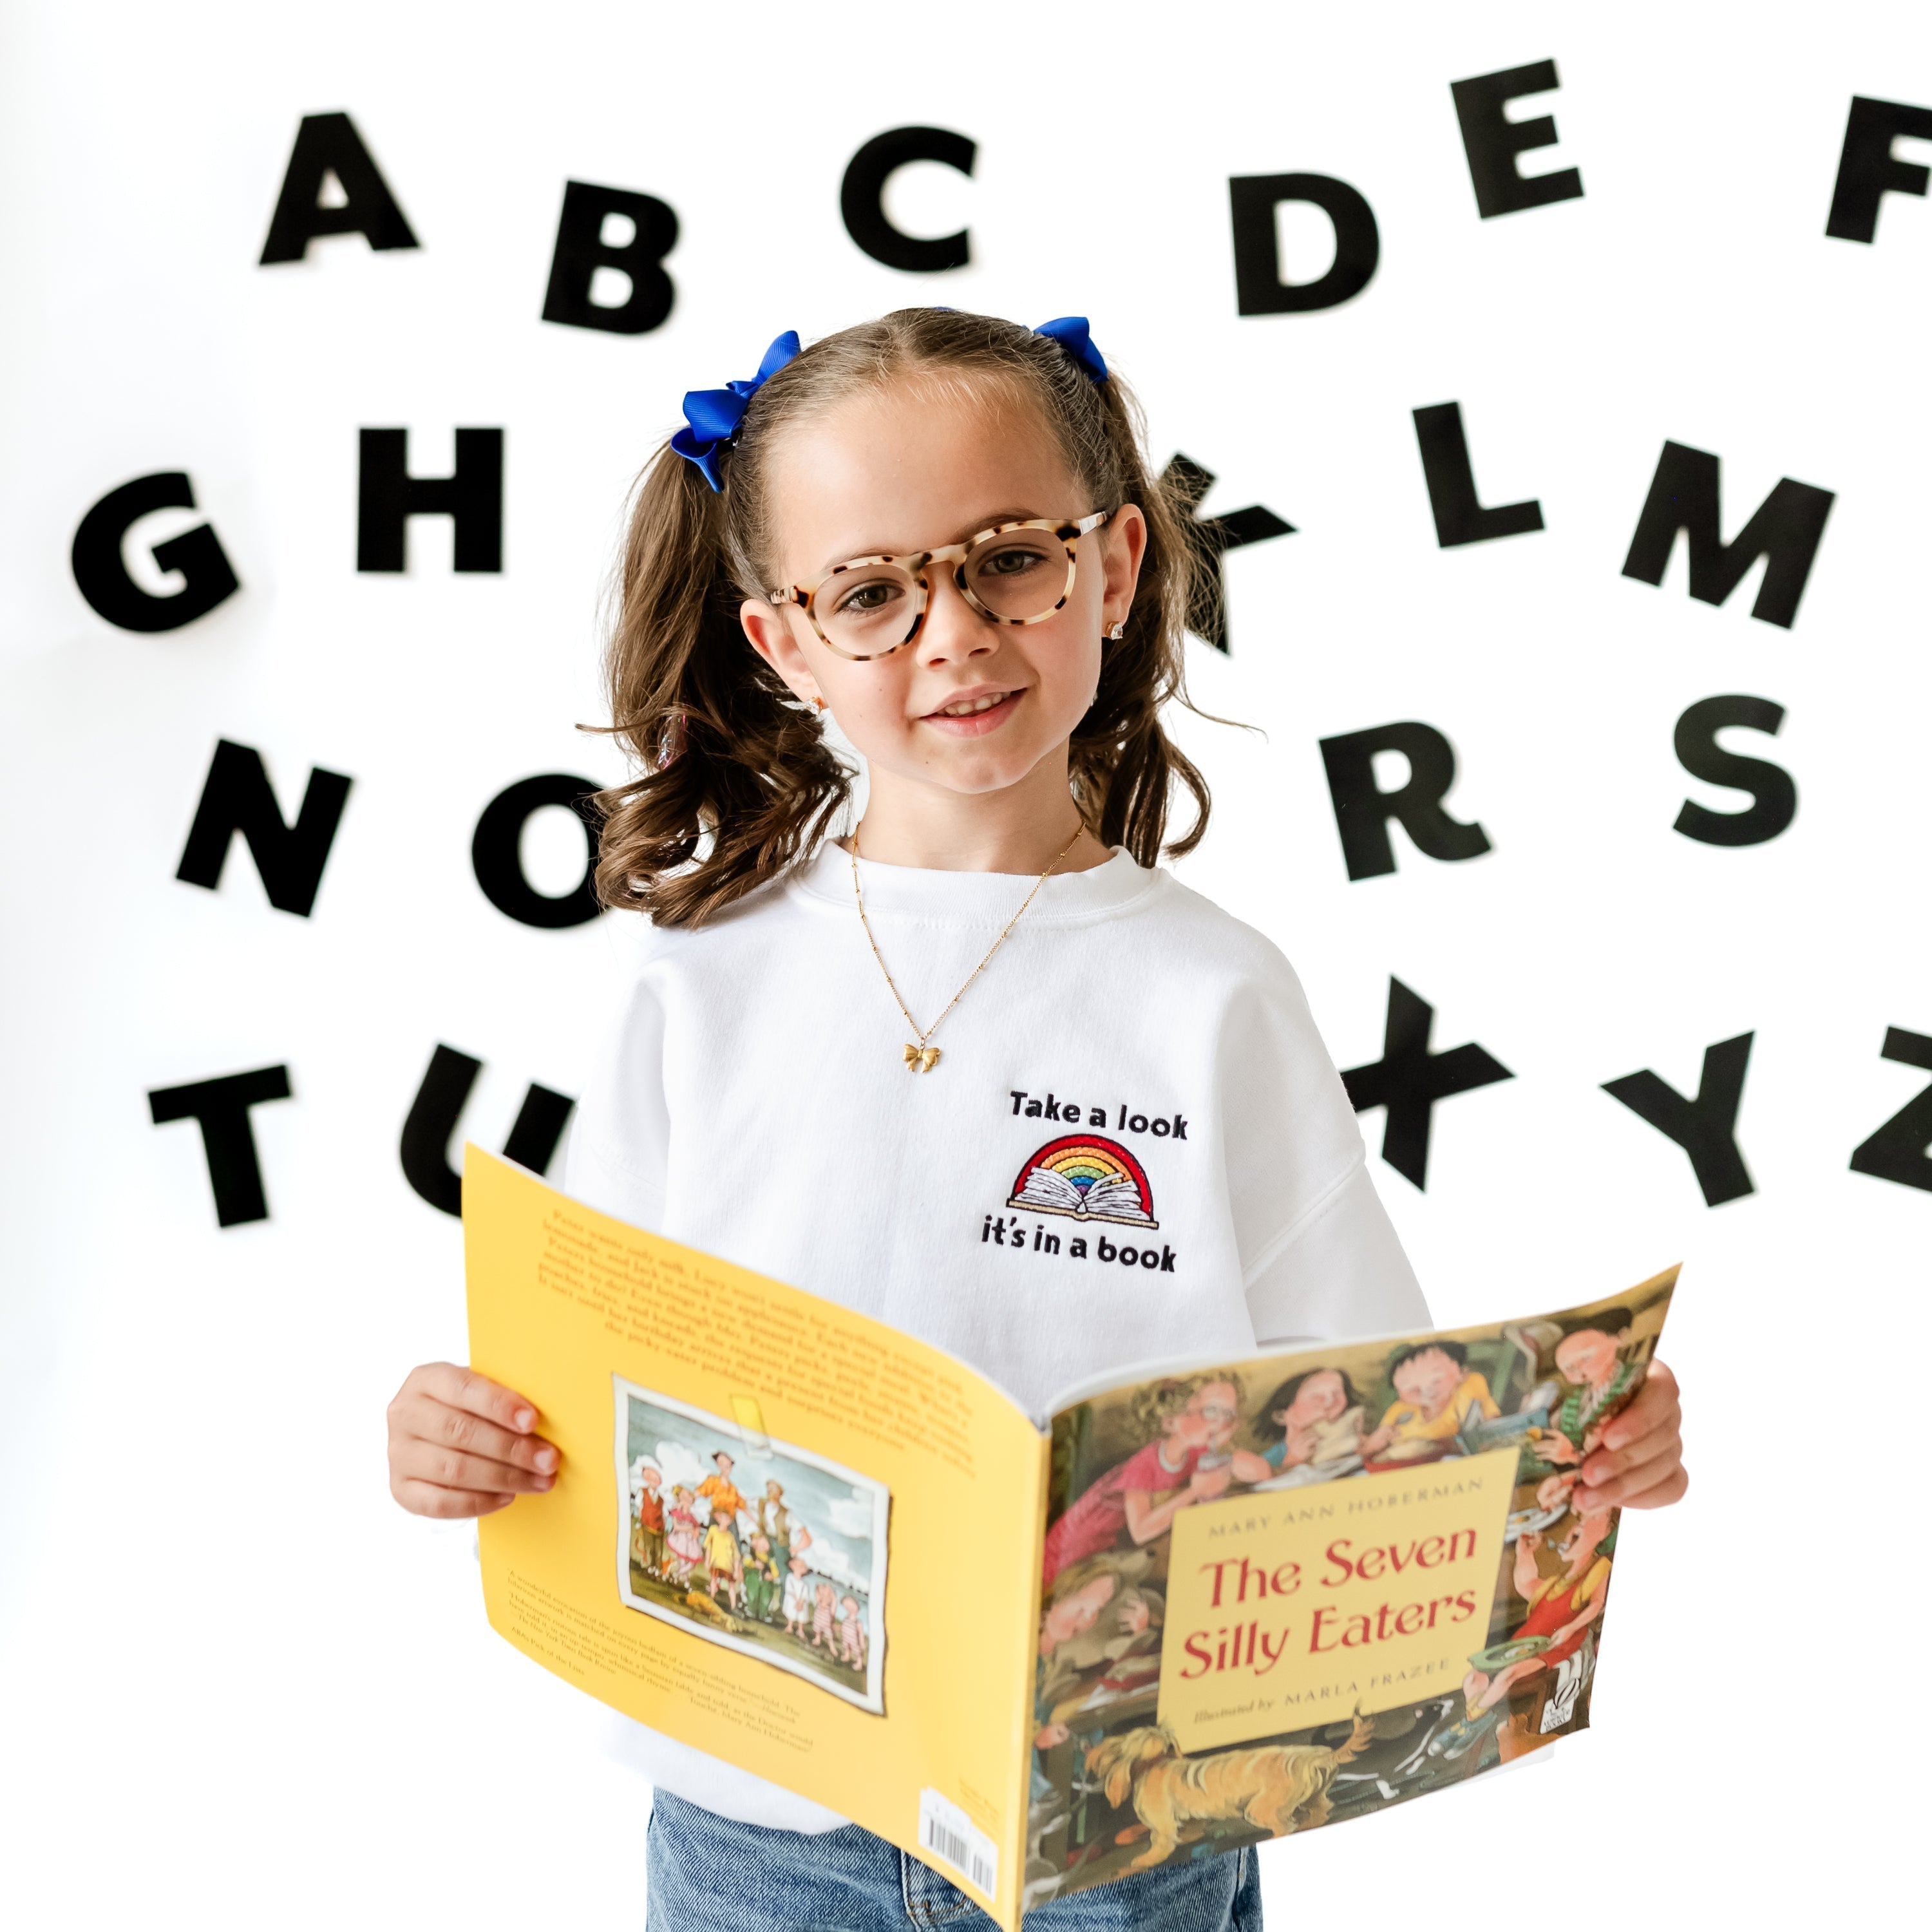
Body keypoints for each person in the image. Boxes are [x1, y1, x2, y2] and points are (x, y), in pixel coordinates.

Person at [384, 308, 1690, 1929]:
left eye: (1008, 557)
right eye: (869, 590)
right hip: (753, 1836)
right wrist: (460, 1433)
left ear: (1117, 564)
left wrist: (1573, 1450)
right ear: (782, 640)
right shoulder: (693, 981)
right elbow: (564, 1372)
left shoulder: (1214, 995)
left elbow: (1373, 1404)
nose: (953, 633)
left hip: (1121, 1843)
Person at [1358, 1340, 1500, 1468]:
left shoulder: (1467, 1388)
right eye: (1412, 1388)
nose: (1426, 1391)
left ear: (1462, 1374)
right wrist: (1374, 1443)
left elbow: (1482, 1432)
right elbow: (1372, 1448)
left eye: (1436, 1381)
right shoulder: (1400, 1410)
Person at [1254, 1367, 1365, 1477]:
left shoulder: (1356, 1447)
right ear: (1281, 1416)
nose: (1331, 1403)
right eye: (1316, 1397)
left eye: (1337, 1394)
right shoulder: (1266, 1463)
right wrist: (1293, 1460)